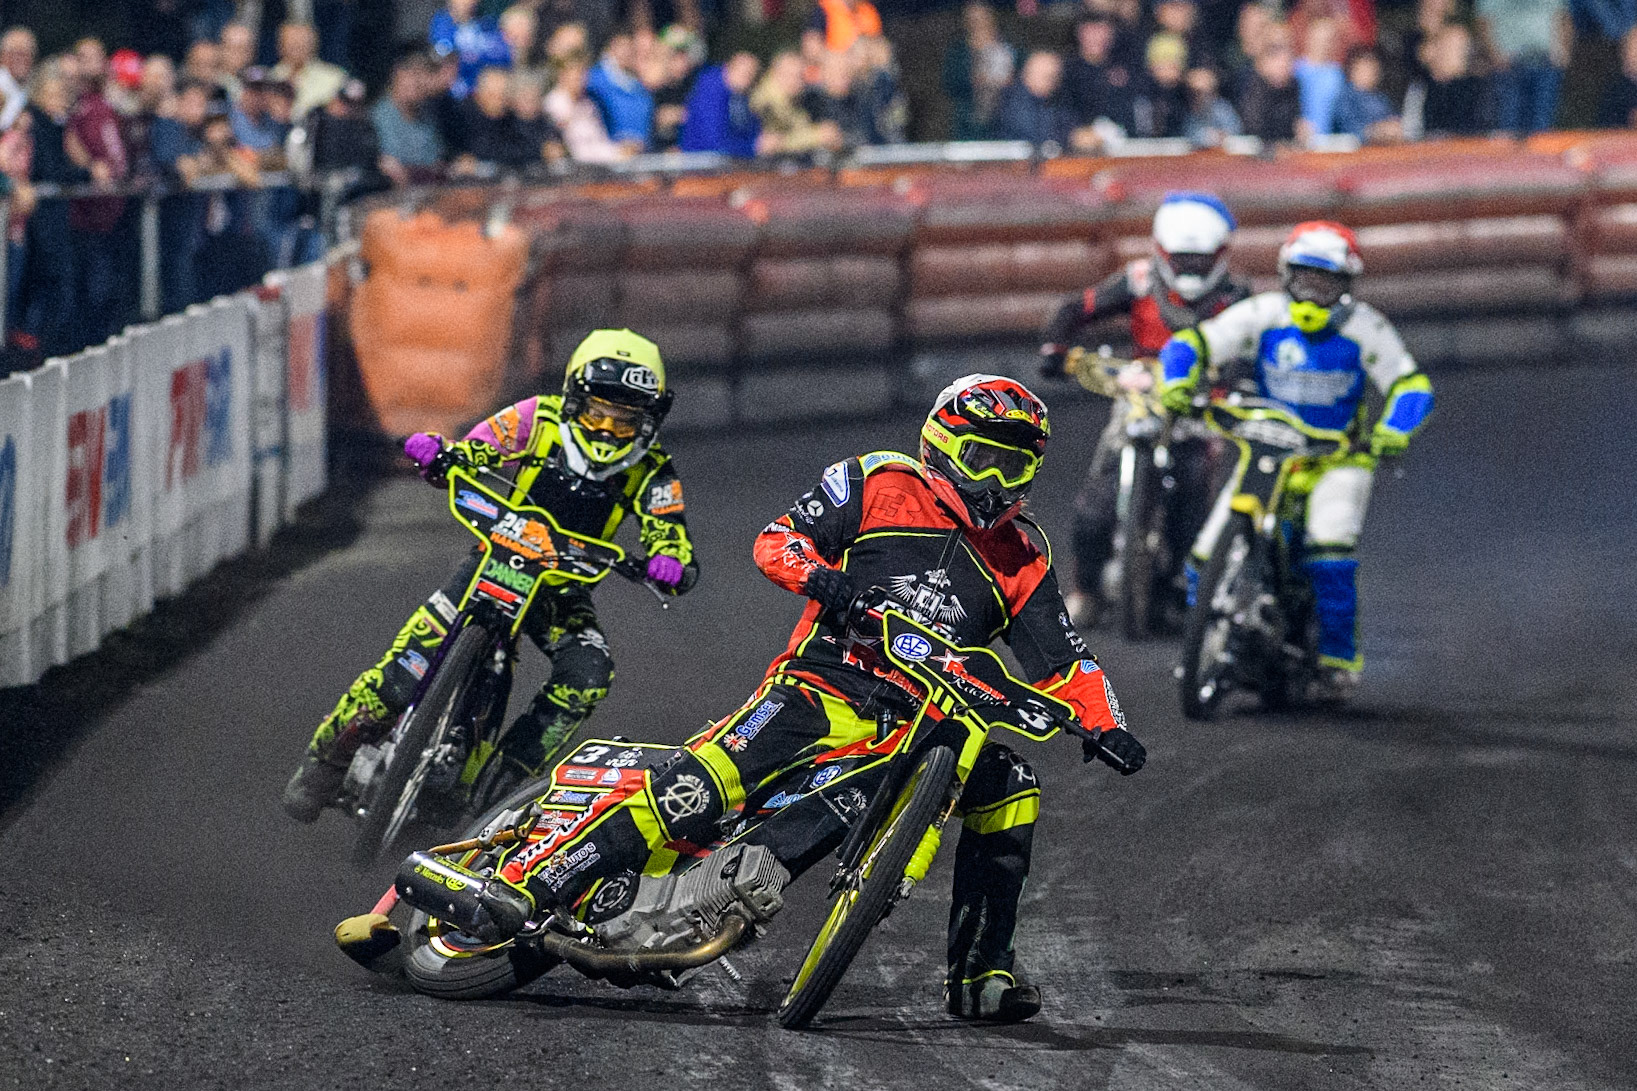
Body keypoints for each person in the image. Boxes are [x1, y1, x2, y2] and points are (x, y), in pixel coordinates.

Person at [392, 374, 1145, 1024]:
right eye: (982, 456)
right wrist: (820, 578)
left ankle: (980, 974)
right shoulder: (878, 479)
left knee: (1011, 785)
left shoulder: (1024, 553)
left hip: (916, 728)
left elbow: (1064, 658)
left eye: (1011, 464)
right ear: (942, 442)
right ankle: (530, 880)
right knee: (697, 790)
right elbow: (777, 539)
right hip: (819, 685)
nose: (993, 478)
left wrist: (1104, 722)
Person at [283, 330, 699, 823]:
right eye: (596, 413)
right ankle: (325, 761)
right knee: (401, 675)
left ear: (649, 420)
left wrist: (670, 561)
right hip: (494, 561)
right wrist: (441, 453)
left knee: (589, 676)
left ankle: (497, 793)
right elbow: (476, 449)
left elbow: (668, 532)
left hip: (561, 592)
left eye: (624, 420)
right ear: (572, 400)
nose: (607, 430)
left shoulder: (652, 471)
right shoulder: (537, 418)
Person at [1157, 223, 1434, 698]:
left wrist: (1392, 431)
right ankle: (1207, 642)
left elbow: (1410, 385)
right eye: (1304, 279)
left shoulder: (1366, 328)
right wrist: (1178, 382)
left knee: (1330, 550)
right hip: (1267, 447)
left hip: (1337, 457)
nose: (1312, 292)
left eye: (1324, 283)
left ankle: (1337, 661)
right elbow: (1192, 344)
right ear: (1286, 277)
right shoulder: (1262, 314)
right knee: (1202, 557)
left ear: (1346, 286)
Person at [1039, 193, 1250, 628]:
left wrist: (1233, 384)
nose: (1191, 270)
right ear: (1161, 252)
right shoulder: (1137, 280)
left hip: (1201, 402)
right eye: (1182, 260)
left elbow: (1253, 346)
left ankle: (1181, 584)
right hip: (1140, 395)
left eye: (1200, 261)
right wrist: (1054, 350)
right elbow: (1075, 308)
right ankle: (1086, 589)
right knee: (1096, 501)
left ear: (1221, 255)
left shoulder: (1238, 296)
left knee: (1195, 491)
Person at [1476, 0, 1569, 135]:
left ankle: (1539, 156)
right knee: (1508, 124)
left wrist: (1564, 50)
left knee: (1542, 126)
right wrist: (1494, 54)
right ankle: (1507, 156)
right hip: (1508, 66)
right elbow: (1483, 21)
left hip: (1545, 63)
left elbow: (1562, 16)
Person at [942, 2, 1017, 140]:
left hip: (1006, 122)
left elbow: (1024, 78)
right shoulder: (958, 52)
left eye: (982, 17)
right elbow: (949, 83)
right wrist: (974, 80)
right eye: (973, 19)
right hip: (969, 124)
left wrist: (1009, 82)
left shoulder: (1010, 47)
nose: (978, 22)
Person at [752, 51, 844, 155]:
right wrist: (817, 136)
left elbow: (800, 128)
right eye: (793, 76)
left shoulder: (794, 99)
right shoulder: (765, 103)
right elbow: (773, 143)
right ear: (776, 74)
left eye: (801, 76)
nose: (799, 82)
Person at [373, 54, 446, 185]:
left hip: (427, 189)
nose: (417, 82)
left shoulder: (427, 116)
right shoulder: (381, 115)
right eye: (411, 75)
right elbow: (390, 163)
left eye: (422, 76)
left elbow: (435, 159)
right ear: (397, 76)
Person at [678, 52, 763, 157]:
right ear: (727, 68)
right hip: (700, 162)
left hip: (722, 161)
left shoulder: (740, 96)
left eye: (750, 74)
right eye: (742, 72)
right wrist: (753, 146)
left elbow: (749, 130)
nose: (746, 78)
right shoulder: (710, 90)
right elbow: (713, 141)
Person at [1063, 15, 1136, 137]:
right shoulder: (1067, 70)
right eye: (1092, 31)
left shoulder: (1124, 67)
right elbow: (1063, 111)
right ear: (1080, 33)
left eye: (1103, 31)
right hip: (1081, 142)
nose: (1097, 37)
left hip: (1122, 140)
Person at [1237, 23, 1305, 143]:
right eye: (1276, 53)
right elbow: (1253, 129)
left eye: (1288, 53)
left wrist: (1300, 131)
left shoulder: (1293, 84)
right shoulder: (1251, 81)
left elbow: (1293, 126)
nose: (1284, 62)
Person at [430, 0, 510, 99]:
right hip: (451, 99)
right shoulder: (441, 26)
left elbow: (505, 58)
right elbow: (441, 63)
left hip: (484, 97)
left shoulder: (489, 26)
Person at [587, 32, 654, 151]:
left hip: (641, 153)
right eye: (622, 46)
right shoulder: (595, 80)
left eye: (629, 47)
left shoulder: (641, 86)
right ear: (611, 47)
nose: (626, 52)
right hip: (611, 154)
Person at [995, 51, 1076, 147]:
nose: (1052, 82)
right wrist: (1071, 137)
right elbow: (1037, 137)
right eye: (1046, 76)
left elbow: (1070, 122)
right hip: (1015, 160)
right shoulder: (1012, 99)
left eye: (1055, 76)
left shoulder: (1055, 98)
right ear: (1028, 73)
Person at [270, 21, 348, 119]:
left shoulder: (334, 78)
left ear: (313, 45)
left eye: (302, 44)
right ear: (280, 46)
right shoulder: (271, 77)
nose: (297, 49)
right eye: (292, 44)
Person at [1334, 47, 1402, 143]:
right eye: (1365, 68)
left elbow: (1394, 121)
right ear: (1353, 70)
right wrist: (1377, 131)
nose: (1371, 73)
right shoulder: (1346, 98)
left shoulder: (1381, 98)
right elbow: (1348, 130)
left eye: (1374, 69)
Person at [1182, 65, 1243, 147]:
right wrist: (1205, 136)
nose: (1201, 96)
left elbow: (1235, 128)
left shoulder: (1221, 108)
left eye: (1206, 91)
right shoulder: (1183, 109)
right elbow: (1186, 132)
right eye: (1196, 92)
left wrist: (1220, 135)